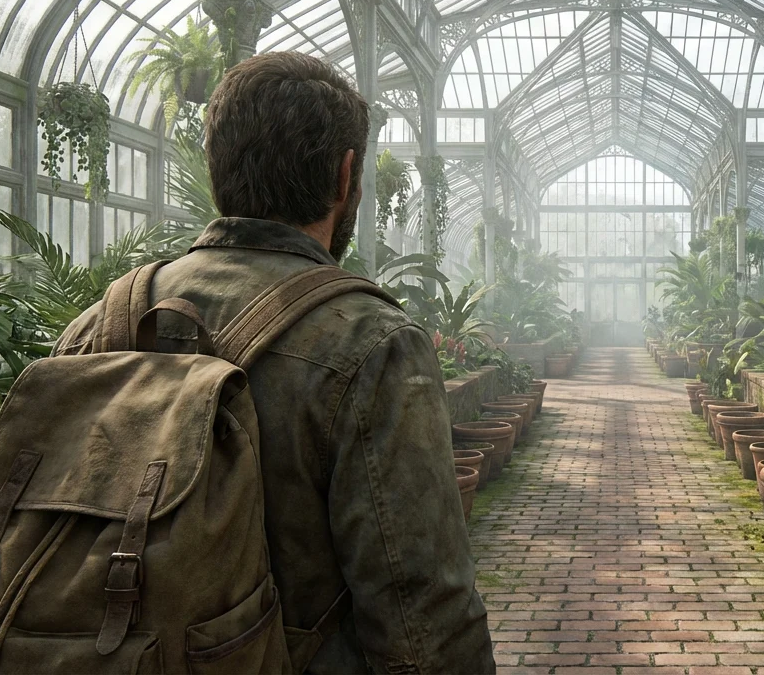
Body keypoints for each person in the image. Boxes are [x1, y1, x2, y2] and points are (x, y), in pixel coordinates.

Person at [54, 51, 495, 674]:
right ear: (346, 178)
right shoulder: (370, 343)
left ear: (217, 173)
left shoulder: (100, 325)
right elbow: (422, 607)